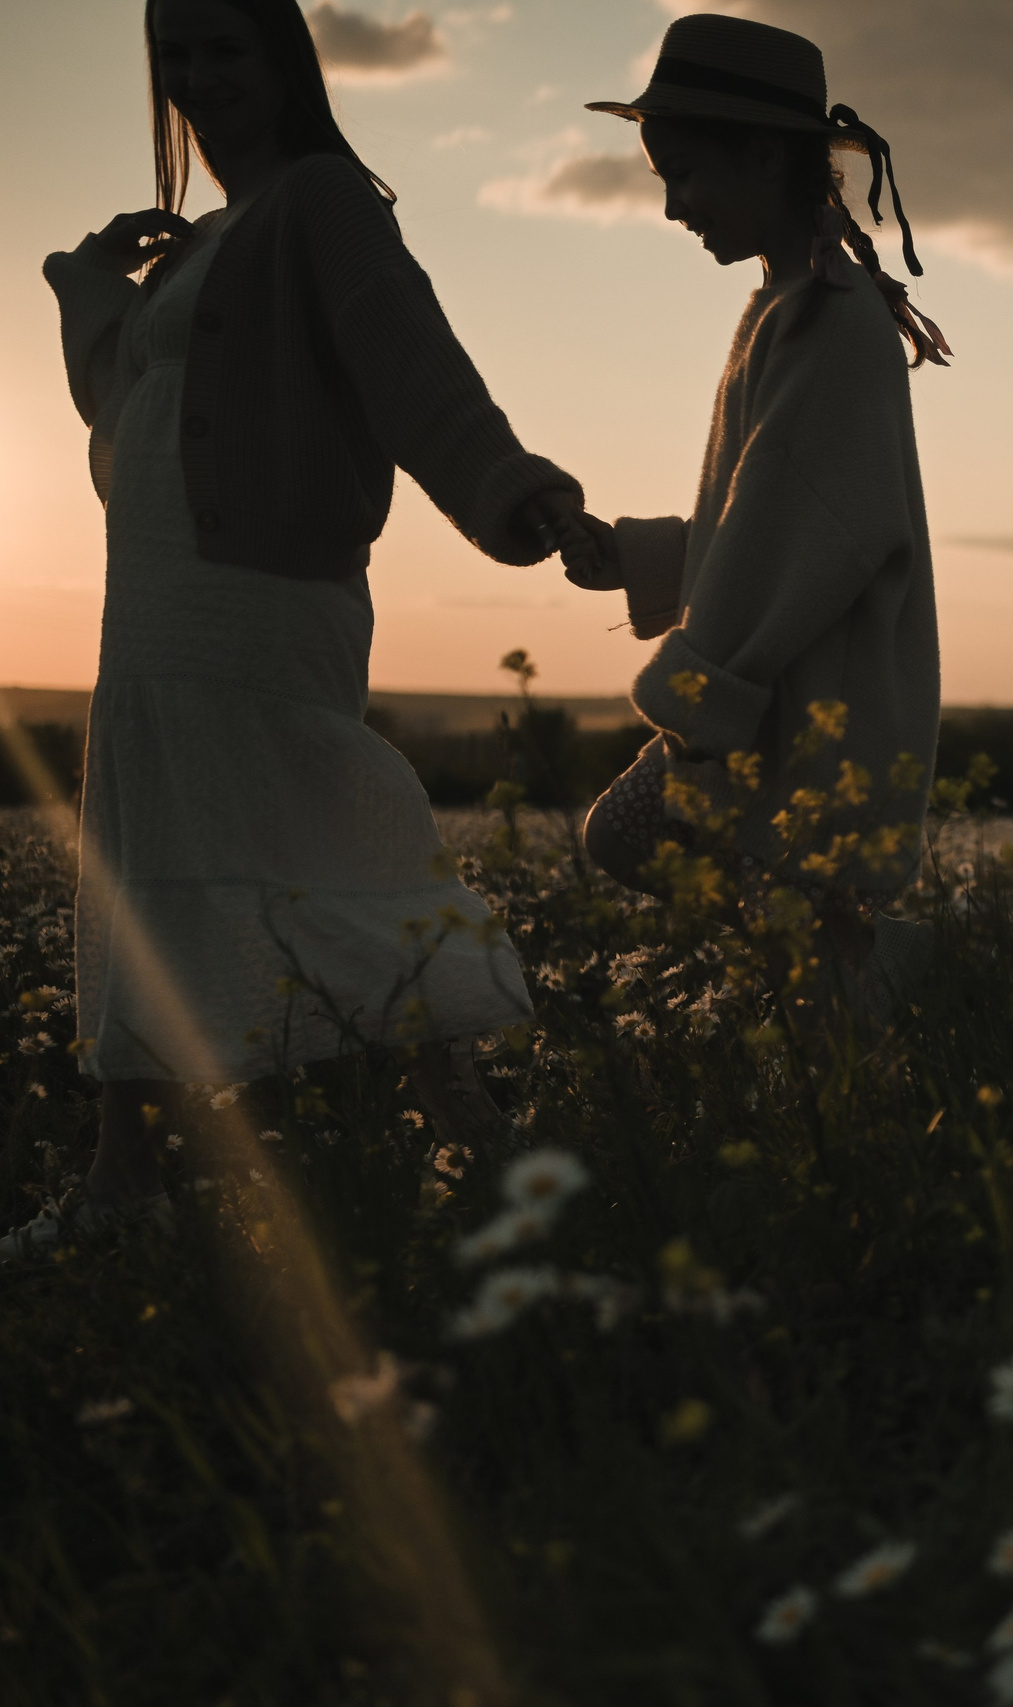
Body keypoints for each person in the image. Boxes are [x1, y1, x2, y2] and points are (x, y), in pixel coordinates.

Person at [2, 0, 593, 1260]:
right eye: (178, 55)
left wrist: (512, 487)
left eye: (228, 47)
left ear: (283, 58)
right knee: (152, 858)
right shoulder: (209, 238)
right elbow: (126, 425)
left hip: (257, 601)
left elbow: (415, 364)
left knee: (332, 833)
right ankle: (128, 1180)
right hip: (157, 607)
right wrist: (95, 285)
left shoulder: (322, 200)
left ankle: (472, 1135)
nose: (202, 77)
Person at [561, 14, 944, 1008]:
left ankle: (909, 975)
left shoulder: (828, 314)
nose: (673, 207)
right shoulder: (789, 300)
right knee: (805, 951)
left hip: (801, 695)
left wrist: (702, 707)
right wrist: (640, 560)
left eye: (685, 175)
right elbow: (767, 523)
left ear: (766, 156)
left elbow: (799, 534)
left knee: (636, 838)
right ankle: (874, 1003)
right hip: (775, 681)